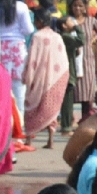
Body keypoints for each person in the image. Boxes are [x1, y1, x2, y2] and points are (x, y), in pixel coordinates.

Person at [22, 10, 72, 148]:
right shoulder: (57, 36)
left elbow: (32, 59)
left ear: (39, 21)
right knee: (51, 109)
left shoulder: (37, 36)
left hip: (39, 77)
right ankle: (50, 140)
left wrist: (28, 75)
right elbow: (63, 59)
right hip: (55, 78)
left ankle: (29, 140)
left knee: (32, 106)